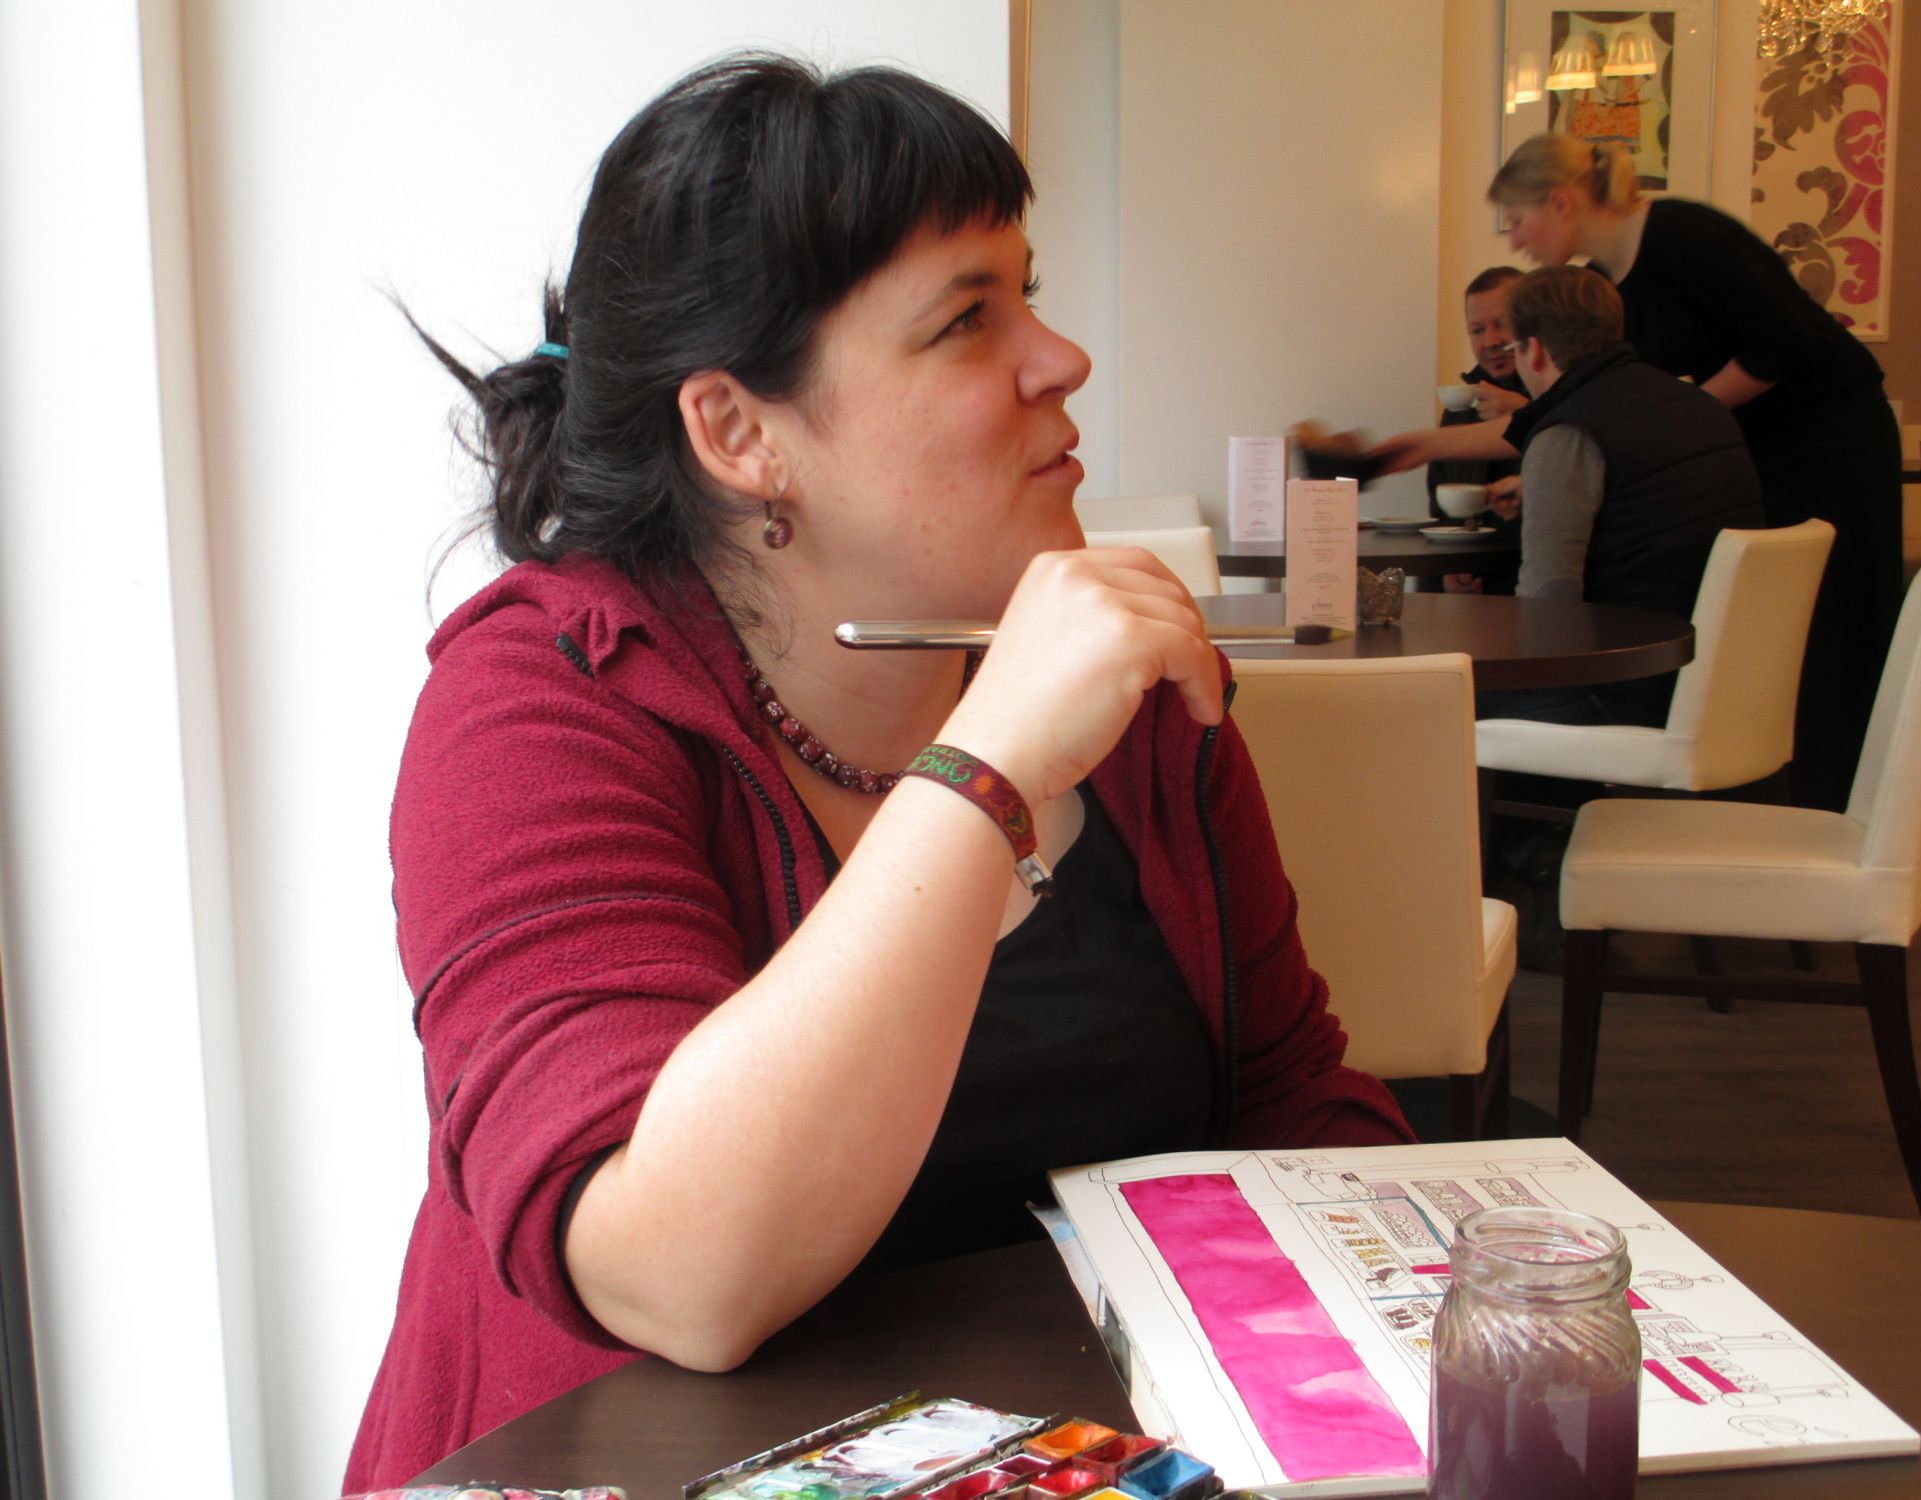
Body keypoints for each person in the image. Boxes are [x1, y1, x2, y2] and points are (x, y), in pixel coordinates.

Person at [345, 55, 1410, 1494]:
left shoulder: (1129, 701)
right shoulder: (544, 703)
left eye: (1030, 294)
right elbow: (679, 1275)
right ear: (740, 433)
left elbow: (1287, 1097)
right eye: (968, 319)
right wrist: (989, 767)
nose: (1060, 357)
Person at [1376, 134, 1903, 810]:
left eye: (1517, 220)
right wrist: (1423, 445)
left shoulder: (1685, 235)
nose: (1514, 240)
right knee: (1777, 635)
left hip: (1833, 438)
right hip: (1752, 443)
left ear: (1560, 202)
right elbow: (1585, 416)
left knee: (1831, 632)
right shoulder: (1607, 282)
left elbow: (1784, 342)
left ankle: (1834, 804)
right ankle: (1776, 802)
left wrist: (1670, 420)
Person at [1475, 266, 1764, 728]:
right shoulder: (1698, 405)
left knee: (1440, 699)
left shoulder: (1567, 432)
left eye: (1513, 345)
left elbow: (1549, 610)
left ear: (1534, 350)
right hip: (1726, 682)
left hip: (1628, 692)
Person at [1426, 266, 1529, 593]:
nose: (1491, 341)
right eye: (1477, 330)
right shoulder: (1459, 408)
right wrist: (1448, 566)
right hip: (1466, 582)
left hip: (1533, 581)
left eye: (1502, 324)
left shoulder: (1560, 398)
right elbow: (1440, 506)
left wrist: (1526, 412)